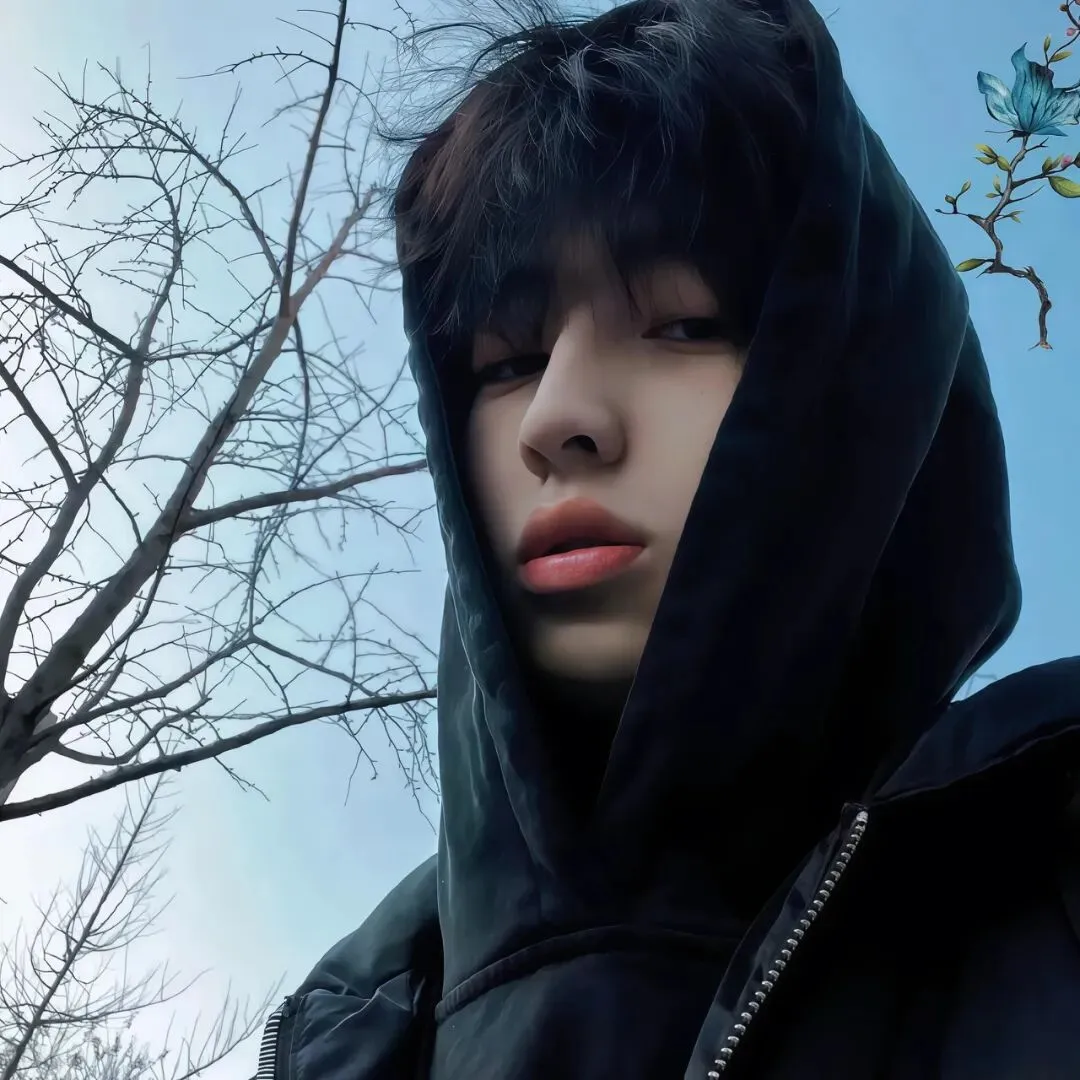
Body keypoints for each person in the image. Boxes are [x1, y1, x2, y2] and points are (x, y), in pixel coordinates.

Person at [254, 0, 1080, 1077]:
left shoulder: (1049, 866)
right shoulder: (346, 1030)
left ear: (859, 397)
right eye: (508, 362)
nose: (556, 417)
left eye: (683, 325)